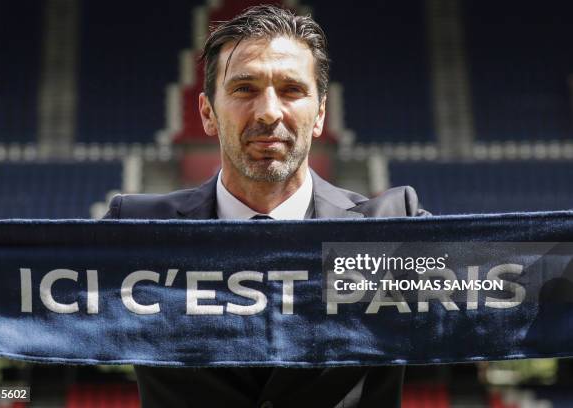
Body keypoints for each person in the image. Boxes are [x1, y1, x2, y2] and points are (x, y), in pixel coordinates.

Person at [105, 5, 427, 407]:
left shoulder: (393, 230)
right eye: (244, 89)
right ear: (207, 113)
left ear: (320, 113)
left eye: (292, 90)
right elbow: (21, 305)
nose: (269, 112)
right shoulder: (137, 230)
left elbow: (516, 292)